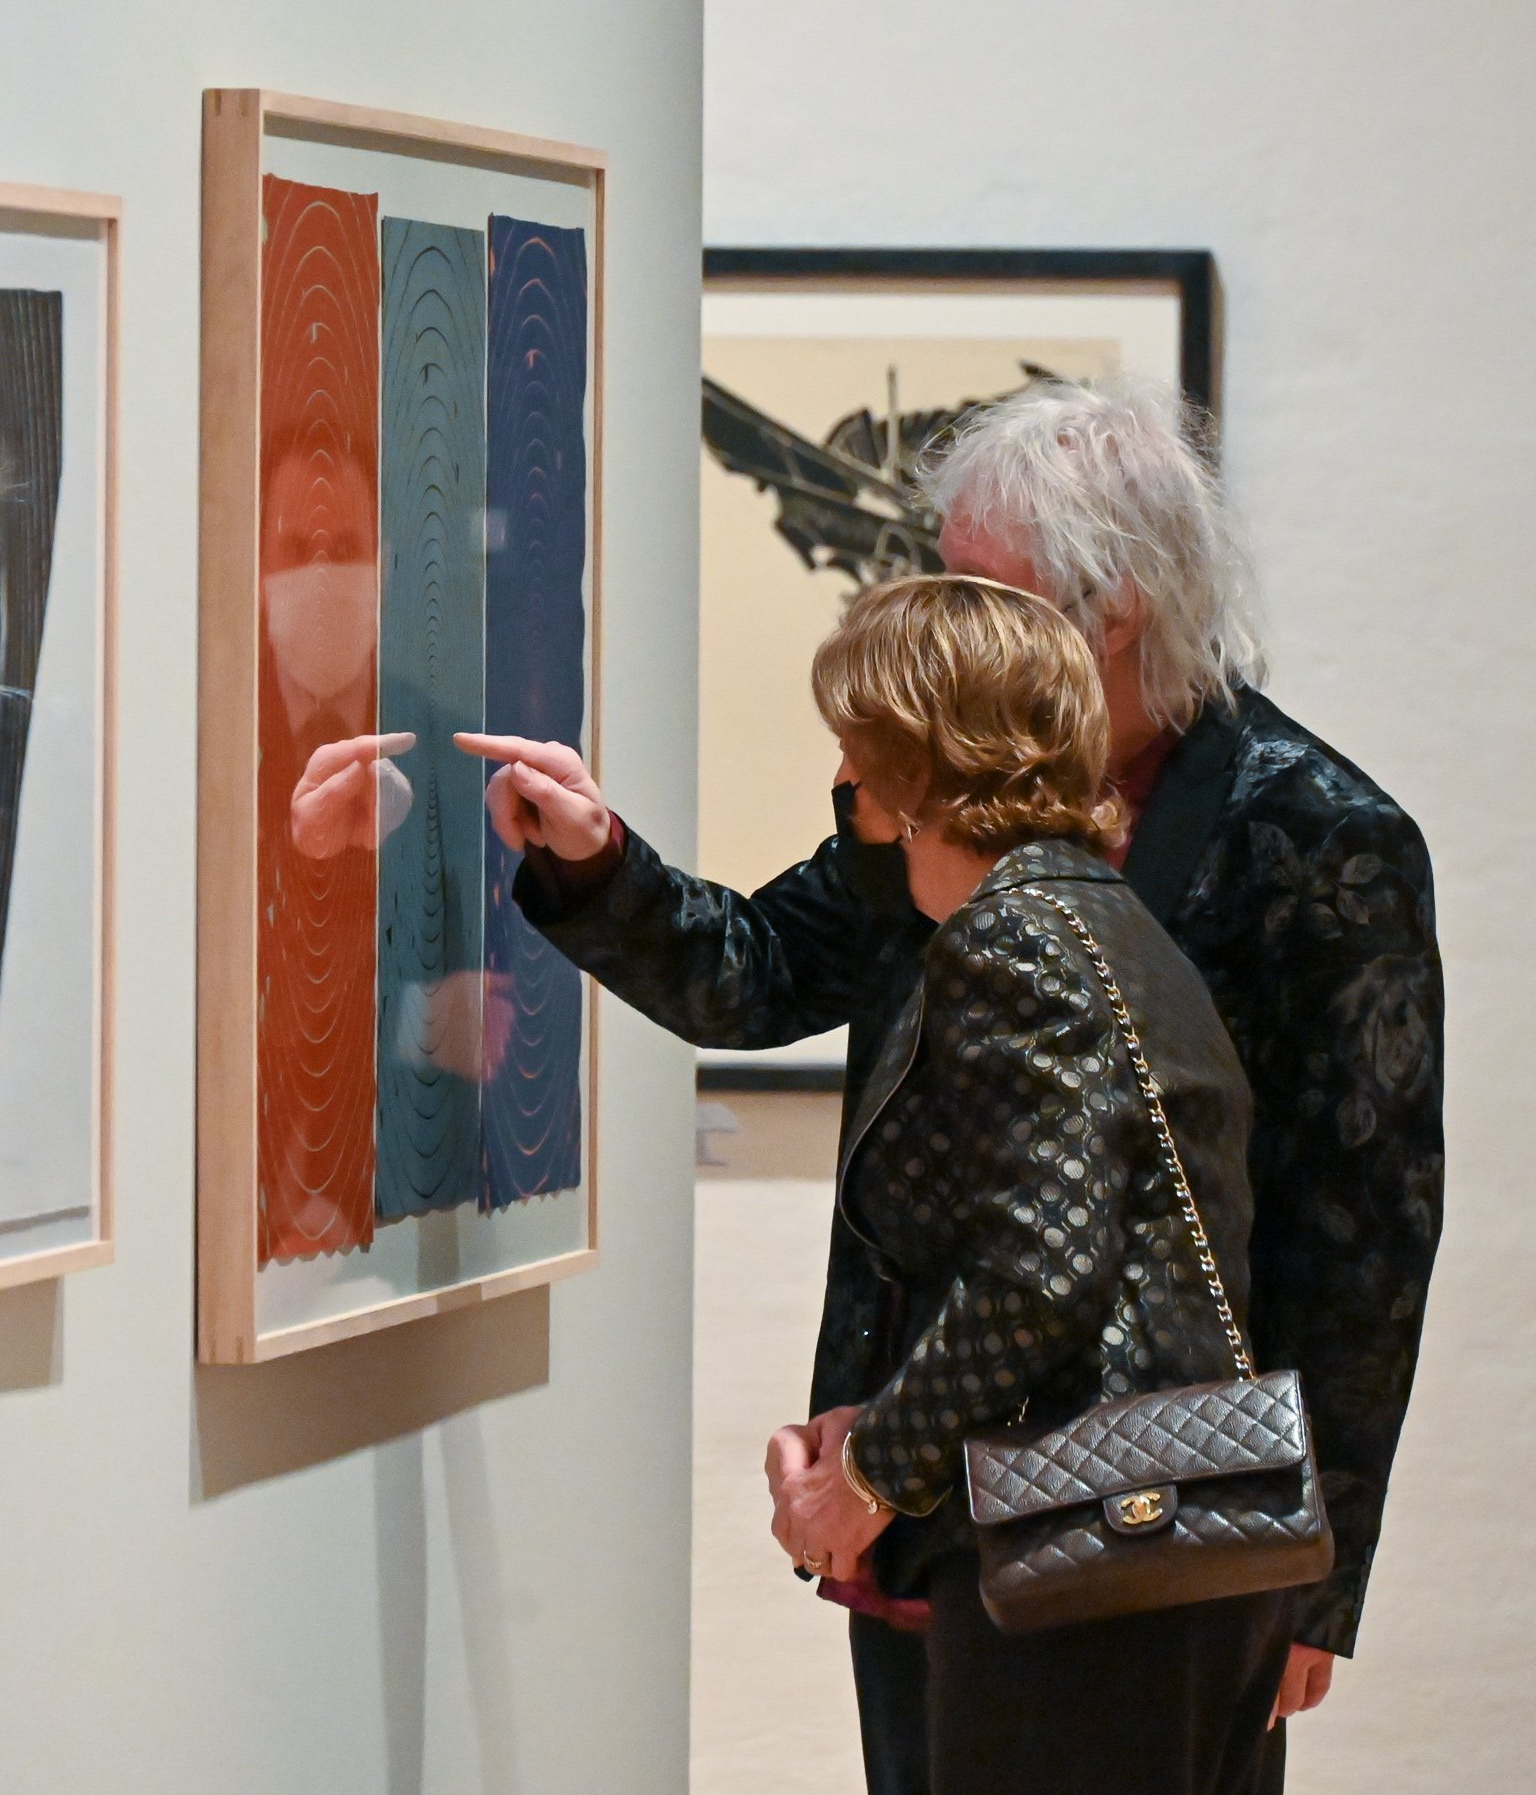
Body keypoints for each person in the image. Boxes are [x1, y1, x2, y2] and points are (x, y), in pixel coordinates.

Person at [455, 375, 1443, 1795]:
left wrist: (1320, 1571)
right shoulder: (952, 787)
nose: (943, 615)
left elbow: (1363, 1239)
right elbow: (758, 971)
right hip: (937, 1491)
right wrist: (598, 861)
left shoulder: (1318, 835)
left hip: (1152, 1511)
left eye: (981, 589)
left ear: (1115, 612)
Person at [770, 571, 1299, 1793]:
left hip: (1092, 1570)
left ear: (917, 767)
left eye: (858, 746)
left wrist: (870, 1474)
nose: (843, 777)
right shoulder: (1102, 917)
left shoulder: (1009, 937)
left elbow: (1039, 1271)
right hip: (1184, 1540)